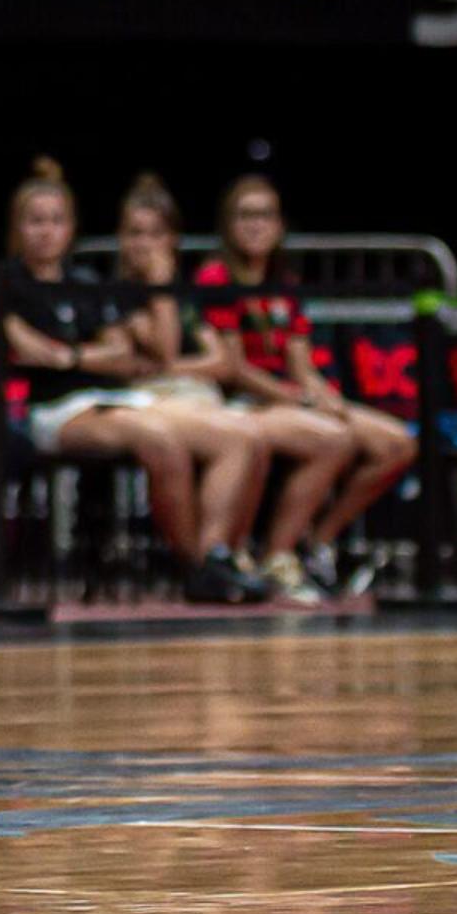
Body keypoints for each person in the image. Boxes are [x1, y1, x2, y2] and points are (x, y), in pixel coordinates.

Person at [0, 164, 264, 607]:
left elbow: (125, 355)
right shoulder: (4, 280)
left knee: (239, 438)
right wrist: (9, 326)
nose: (46, 232)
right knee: (158, 438)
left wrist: (66, 356)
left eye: (55, 221)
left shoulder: (86, 284)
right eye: (35, 221)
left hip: (113, 397)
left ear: (71, 229)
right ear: (17, 227)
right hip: (51, 408)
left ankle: (213, 556)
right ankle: (195, 568)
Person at [121, 176, 351, 607]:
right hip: (175, 401)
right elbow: (205, 360)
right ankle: (216, 560)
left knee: (376, 439)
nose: (147, 244)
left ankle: (266, 554)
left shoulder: (261, 283)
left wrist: (320, 395)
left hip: (202, 396)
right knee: (248, 435)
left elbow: (215, 361)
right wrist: (160, 286)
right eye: (136, 233)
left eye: (156, 234)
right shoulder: (161, 288)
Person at [195, 175, 415, 590]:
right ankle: (278, 554)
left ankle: (318, 541)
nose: (255, 225)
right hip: (242, 402)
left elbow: (301, 363)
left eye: (264, 215)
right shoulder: (216, 278)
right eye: (245, 216)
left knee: (397, 443)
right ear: (228, 225)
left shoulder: (285, 284)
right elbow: (235, 368)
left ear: (280, 226)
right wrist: (300, 401)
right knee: (334, 438)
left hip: (290, 398)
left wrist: (327, 397)